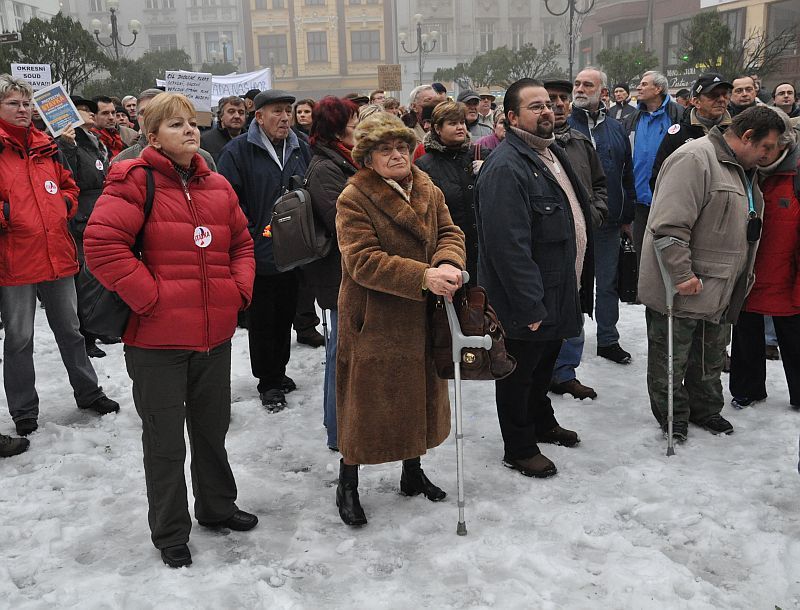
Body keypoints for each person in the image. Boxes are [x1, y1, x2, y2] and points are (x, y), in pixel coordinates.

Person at [84, 92, 258, 569]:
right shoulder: (134, 180)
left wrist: (236, 290)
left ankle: (218, 507)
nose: (189, 131)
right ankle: (170, 530)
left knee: (211, 430)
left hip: (212, 336)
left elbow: (242, 243)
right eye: (175, 124)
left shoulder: (217, 185)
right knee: (164, 441)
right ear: (151, 133)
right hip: (157, 341)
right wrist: (151, 298)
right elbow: (101, 246)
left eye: (192, 123)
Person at [334, 112, 465, 526]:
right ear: (368, 157)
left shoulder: (426, 185)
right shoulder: (353, 197)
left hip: (424, 312)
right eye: (385, 149)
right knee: (365, 406)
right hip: (375, 320)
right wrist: (422, 276)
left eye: (402, 147)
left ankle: (412, 472)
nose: (397, 155)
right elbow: (362, 261)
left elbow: (450, 232)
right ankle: (348, 482)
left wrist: (447, 262)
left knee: (418, 396)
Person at [638, 106, 785, 441]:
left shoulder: (744, 168)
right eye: (766, 147)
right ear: (747, 136)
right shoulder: (695, 159)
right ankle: (672, 414)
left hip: (719, 285)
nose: (769, 155)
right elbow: (668, 226)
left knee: (710, 354)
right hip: (684, 284)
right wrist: (680, 273)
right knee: (671, 356)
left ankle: (706, 408)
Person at [475, 78, 592, 478]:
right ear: (511, 117)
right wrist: (528, 303)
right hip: (529, 296)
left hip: (560, 287)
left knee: (543, 366)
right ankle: (519, 447)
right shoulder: (506, 167)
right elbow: (507, 246)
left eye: (550, 104)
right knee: (518, 374)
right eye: (536, 106)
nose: (549, 111)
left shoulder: (551, 153)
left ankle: (542, 422)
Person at [0, 74, 120, 438]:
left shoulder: (47, 145)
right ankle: (24, 410)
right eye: (13, 104)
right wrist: (9, 216)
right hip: (15, 259)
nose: (23, 109)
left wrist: (63, 204)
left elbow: (69, 185)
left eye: (26, 102)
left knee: (70, 329)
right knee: (19, 338)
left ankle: (89, 392)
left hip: (57, 252)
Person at [217, 90, 312, 412]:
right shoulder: (238, 151)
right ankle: (267, 381)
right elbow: (229, 200)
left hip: (294, 251)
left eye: (288, 110)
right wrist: (256, 232)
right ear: (258, 116)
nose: (285, 117)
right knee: (262, 321)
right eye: (277, 112)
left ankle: (279, 371)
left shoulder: (300, 148)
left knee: (285, 315)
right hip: (258, 251)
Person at [730, 111, 800, 408]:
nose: (762, 153)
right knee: (746, 334)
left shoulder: (795, 174)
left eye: (769, 147)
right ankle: (747, 389)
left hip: (788, 277)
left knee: (794, 338)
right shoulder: (744, 169)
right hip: (749, 271)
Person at [544, 77, 608, 399]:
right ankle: (542, 368)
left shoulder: (581, 142)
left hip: (582, 240)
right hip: (547, 244)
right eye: (549, 98)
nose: (556, 104)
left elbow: (600, 184)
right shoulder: (527, 146)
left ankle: (566, 370)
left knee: (577, 299)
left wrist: (595, 211)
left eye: (561, 98)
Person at [569, 67, 637, 366]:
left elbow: (626, 174)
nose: (580, 89)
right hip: (573, 221)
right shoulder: (563, 127)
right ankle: (569, 342)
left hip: (608, 221)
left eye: (588, 85)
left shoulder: (616, 128)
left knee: (607, 282)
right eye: (577, 84)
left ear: (603, 93)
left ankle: (608, 338)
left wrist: (627, 213)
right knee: (572, 283)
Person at [303, 96, 359, 451]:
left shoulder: (345, 158)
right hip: (338, 277)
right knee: (340, 357)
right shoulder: (325, 167)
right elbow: (343, 223)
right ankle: (338, 432)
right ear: (336, 126)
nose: (359, 126)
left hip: (351, 274)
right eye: (353, 121)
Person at [57, 96, 111, 358]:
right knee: (85, 280)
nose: (90, 114)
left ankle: (100, 326)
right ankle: (86, 336)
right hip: (81, 218)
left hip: (100, 213)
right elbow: (69, 176)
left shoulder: (95, 140)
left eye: (92, 110)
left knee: (101, 276)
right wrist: (66, 147)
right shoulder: (69, 142)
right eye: (84, 110)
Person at [416, 100, 486, 284]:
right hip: (451, 253)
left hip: (486, 249)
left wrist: (489, 170)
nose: (460, 127)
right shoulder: (424, 165)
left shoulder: (481, 154)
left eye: (462, 122)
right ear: (438, 129)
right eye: (453, 123)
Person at [624, 70, 684, 270]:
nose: (639, 88)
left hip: (670, 201)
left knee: (670, 259)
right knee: (643, 259)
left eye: (643, 84)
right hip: (640, 202)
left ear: (658, 89)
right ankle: (648, 300)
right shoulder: (632, 119)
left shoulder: (678, 116)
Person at [650, 73, 733, 189]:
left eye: (725, 95)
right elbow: (659, 176)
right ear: (696, 102)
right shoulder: (677, 134)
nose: (721, 100)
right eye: (713, 95)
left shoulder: (736, 131)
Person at [112, 88, 217, 171]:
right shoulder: (122, 162)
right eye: (144, 112)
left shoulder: (204, 160)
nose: (189, 129)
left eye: (193, 123)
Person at [200, 95, 246, 162]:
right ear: (221, 116)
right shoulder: (205, 141)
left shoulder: (251, 140)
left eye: (241, 112)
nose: (237, 116)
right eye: (231, 111)